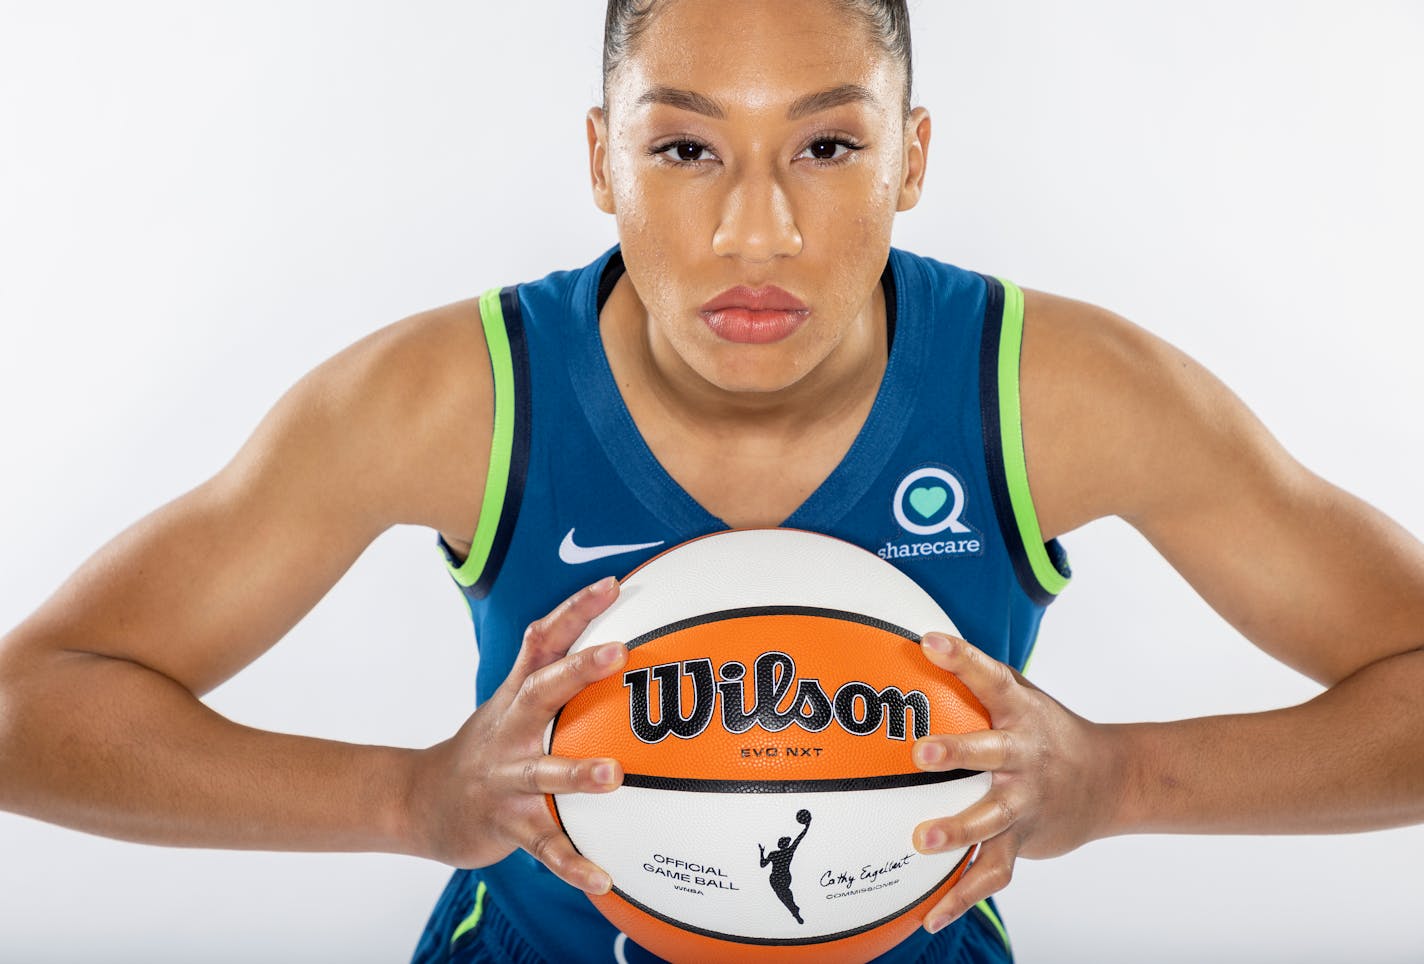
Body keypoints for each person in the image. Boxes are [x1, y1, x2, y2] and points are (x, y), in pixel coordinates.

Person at [1, 1, 1422, 961]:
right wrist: (410, 801)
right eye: (685, 148)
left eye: (826, 145)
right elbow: (30, 706)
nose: (758, 229)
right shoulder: (457, 396)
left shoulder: (1054, 392)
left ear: (910, 157)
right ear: (602, 161)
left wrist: (1122, 780)